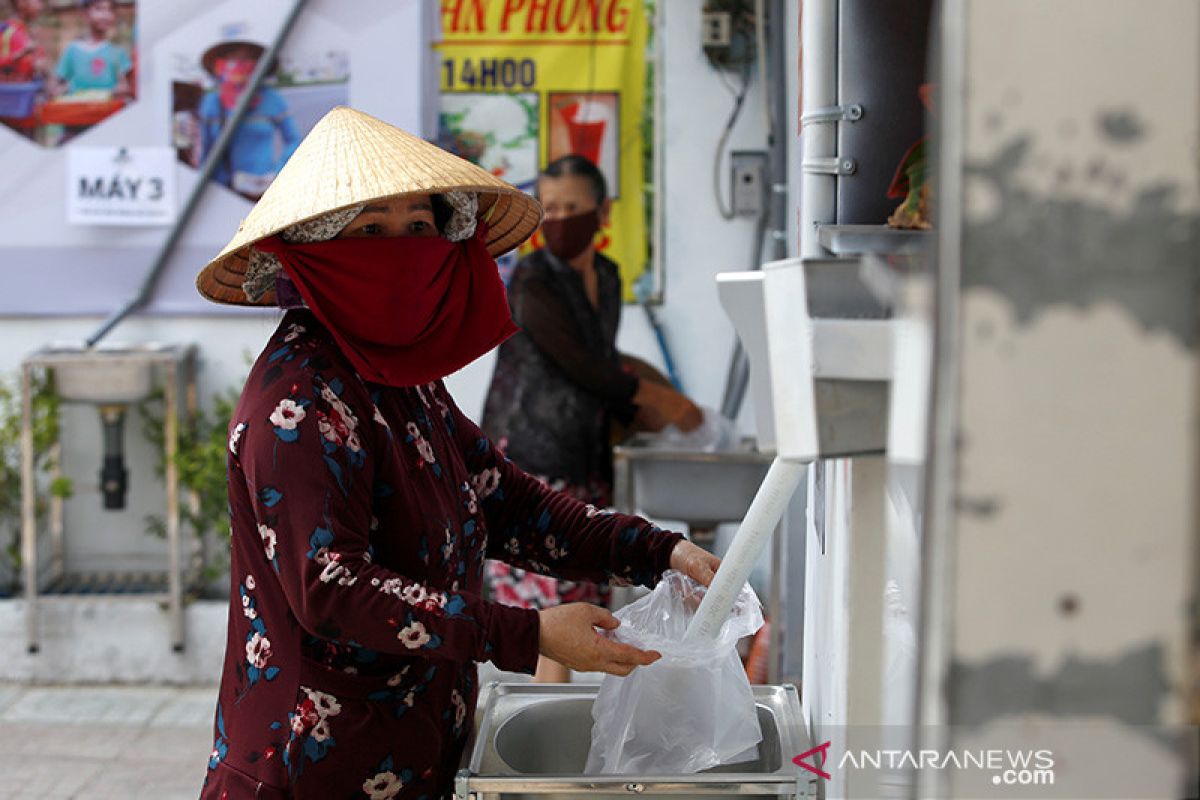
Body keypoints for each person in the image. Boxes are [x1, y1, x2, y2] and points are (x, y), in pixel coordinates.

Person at [194, 106, 721, 799]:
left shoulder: (400, 375)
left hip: (415, 750)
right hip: (310, 770)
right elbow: (333, 588)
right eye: (371, 230)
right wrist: (526, 631)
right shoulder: (298, 400)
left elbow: (508, 502)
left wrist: (658, 552)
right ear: (313, 252)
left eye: (419, 227)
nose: (403, 248)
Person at [481, 154, 703, 682]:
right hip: (532, 454)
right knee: (553, 622)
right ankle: (546, 743)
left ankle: (561, 734)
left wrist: (644, 403)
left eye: (572, 208)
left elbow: (604, 361)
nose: (559, 220)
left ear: (602, 212)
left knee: (586, 601)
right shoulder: (533, 281)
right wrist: (655, 398)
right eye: (549, 208)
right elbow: (583, 366)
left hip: (585, 454)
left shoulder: (606, 275)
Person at [197, 40, 300, 200]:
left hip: (264, 189)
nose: (239, 65)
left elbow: (294, 141)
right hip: (221, 190)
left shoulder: (272, 99)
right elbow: (204, 150)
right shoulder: (211, 103)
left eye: (247, 59)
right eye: (232, 58)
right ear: (219, 65)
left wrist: (277, 173)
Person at [52, 0, 130, 98]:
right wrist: (62, 90)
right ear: (85, 14)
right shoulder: (72, 50)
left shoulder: (117, 52)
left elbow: (125, 86)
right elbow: (57, 85)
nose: (105, 15)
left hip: (109, 110)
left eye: (110, 10)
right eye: (99, 9)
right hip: (78, 110)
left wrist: (122, 89)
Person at [0, 0, 45, 84]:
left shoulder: (29, 33)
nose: (41, 7)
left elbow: (37, 64)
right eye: (38, 1)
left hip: (26, 92)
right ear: (21, 2)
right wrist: (20, 54)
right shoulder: (4, 30)